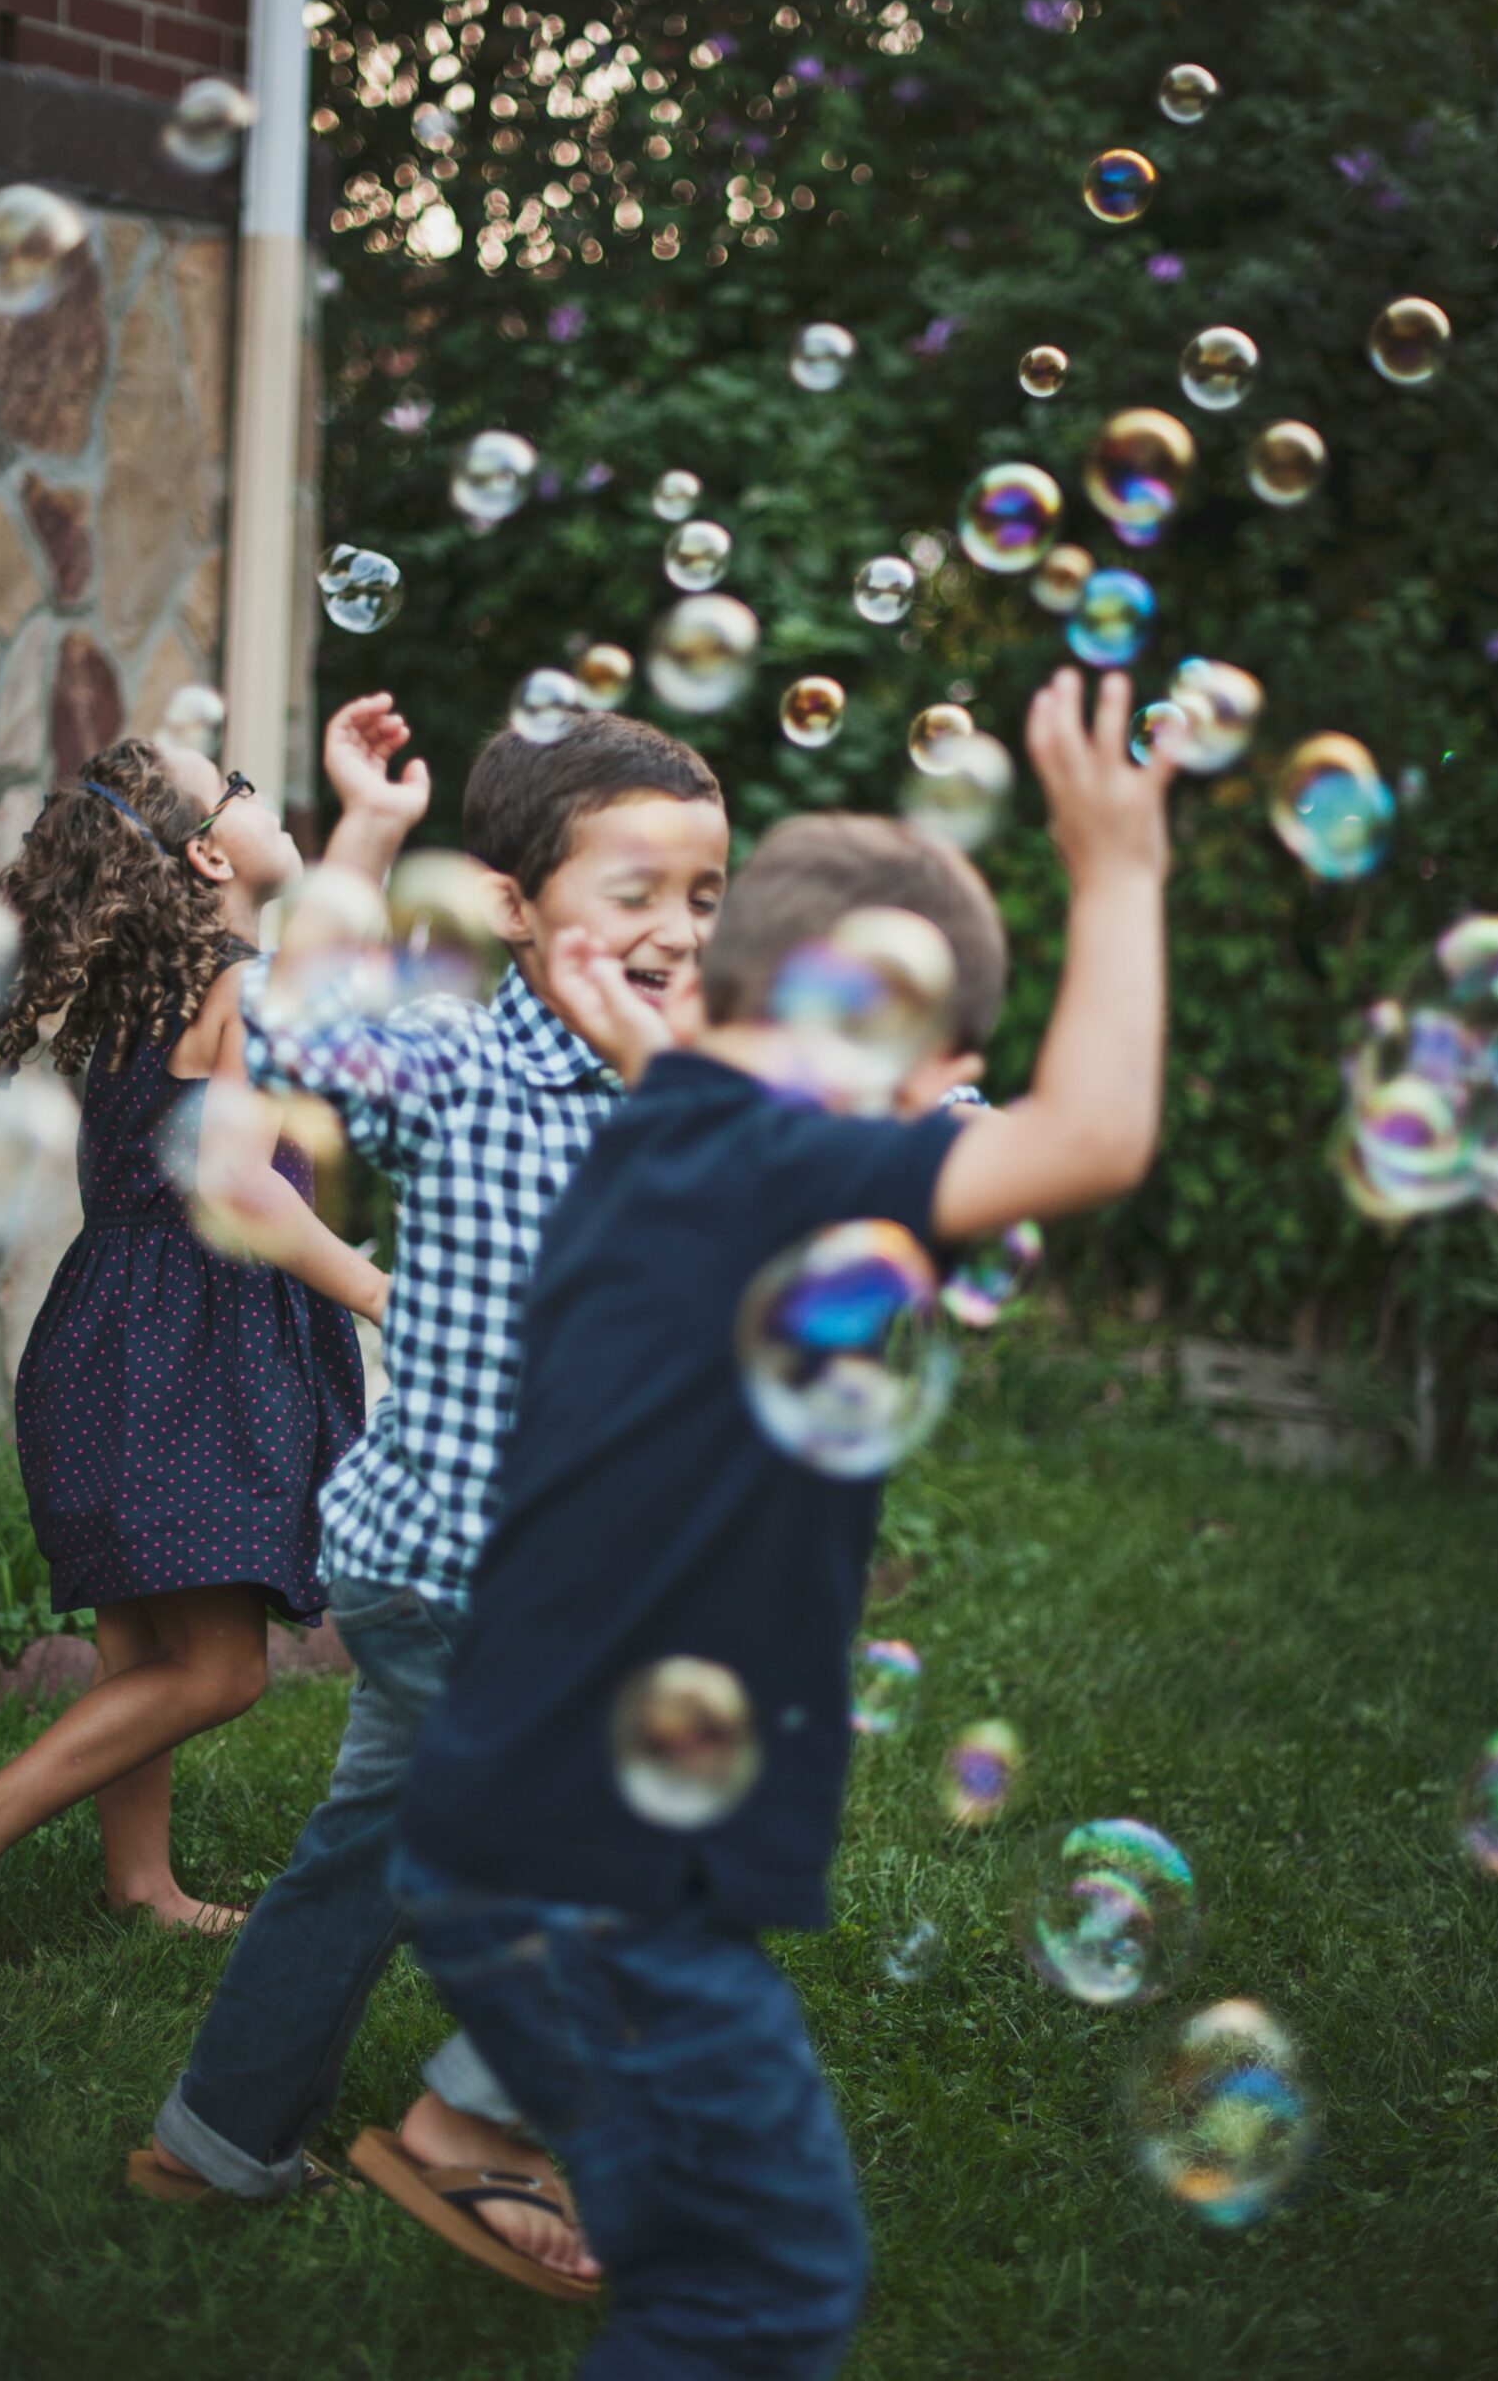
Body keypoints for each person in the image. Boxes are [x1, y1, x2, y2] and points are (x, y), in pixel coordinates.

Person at [383, 668, 1173, 2377]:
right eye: (940, 1073)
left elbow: (695, 1071)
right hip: (609, 1886)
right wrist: (1119, 867)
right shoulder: (789, 1168)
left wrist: (675, 1040)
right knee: (762, 2285)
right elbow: (1098, 1134)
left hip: (503, 1834)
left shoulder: (658, 1132)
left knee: (698, 2265)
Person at [136, 695, 729, 2280]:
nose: (676, 931)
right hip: (471, 1572)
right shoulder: (458, 1060)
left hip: (476, 1570)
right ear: (518, 909)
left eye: (704, 896)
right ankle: (474, 2126)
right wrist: (369, 834)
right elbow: (304, 1030)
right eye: (634, 893)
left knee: (367, 1859)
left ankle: (215, 2140)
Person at [0, 739, 373, 1992]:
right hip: (192, 1346)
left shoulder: (138, 1001)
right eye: (244, 786)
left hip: (104, 1333)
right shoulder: (241, 989)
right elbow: (238, 1188)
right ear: (211, 853)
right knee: (215, 1669)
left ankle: (140, 1885)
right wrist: (384, 1289)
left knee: (139, 1650)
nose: (264, 797)